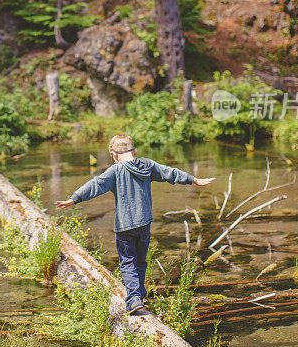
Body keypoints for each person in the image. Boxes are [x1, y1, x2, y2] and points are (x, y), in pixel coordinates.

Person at [55, 134, 215, 315]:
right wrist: (194, 180)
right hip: (144, 223)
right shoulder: (147, 165)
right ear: (135, 151)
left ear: (113, 154)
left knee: (127, 262)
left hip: (125, 226)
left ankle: (134, 299)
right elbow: (169, 172)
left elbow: (96, 185)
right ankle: (140, 295)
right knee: (140, 260)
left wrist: (74, 199)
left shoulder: (115, 170)